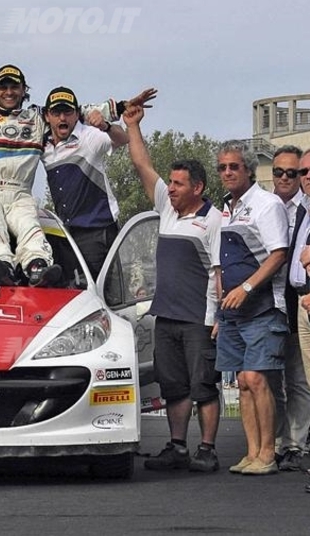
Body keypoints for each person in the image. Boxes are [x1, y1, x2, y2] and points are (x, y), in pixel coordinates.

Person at [0, 27, 153, 286]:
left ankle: (37, 267)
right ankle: (1, 266)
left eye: (15, 87)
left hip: (20, 193)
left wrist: (120, 108)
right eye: (3, 86)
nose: (9, 91)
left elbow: (78, 111)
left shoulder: (37, 118)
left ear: (24, 90)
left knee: (31, 228)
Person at [124, 106, 223, 473]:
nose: (171, 188)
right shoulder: (167, 207)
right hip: (165, 316)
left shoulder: (213, 220)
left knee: (204, 386)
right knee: (174, 388)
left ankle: (208, 449)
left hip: (198, 319)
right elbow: (141, 165)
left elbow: (219, 272)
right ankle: (178, 447)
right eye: (171, 183)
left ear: (197, 187)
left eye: (178, 184)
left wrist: (217, 319)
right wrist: (132, 125)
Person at [215, 140, 289, 476]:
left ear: (248, 169)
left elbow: (278, 254)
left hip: (261, 307)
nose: (227, 172)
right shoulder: (226, 208)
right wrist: (219, 307)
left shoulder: (267, 204)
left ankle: (268, 454)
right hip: (231, 312)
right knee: (241, 382)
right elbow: (219, 264)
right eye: (222, 167)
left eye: (234, 166)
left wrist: (246, 288)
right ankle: (251, 452)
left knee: (258, 378)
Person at [42, 86, 134, 279]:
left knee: (99, 297)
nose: (62, 118)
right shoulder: (43, 145)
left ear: (77, 115)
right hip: (66, 234)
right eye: (56, 112)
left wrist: (106, 126)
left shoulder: (88, 137)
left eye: (67, 112)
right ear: (47, 116)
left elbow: (123, 138)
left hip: (97, 231)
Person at [281, 148, 310, 476]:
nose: (300, 177)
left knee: (301, 381)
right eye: (287, 172)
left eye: (298, 172)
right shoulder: (303, 209)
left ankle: (295, 445)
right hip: (295, 303)